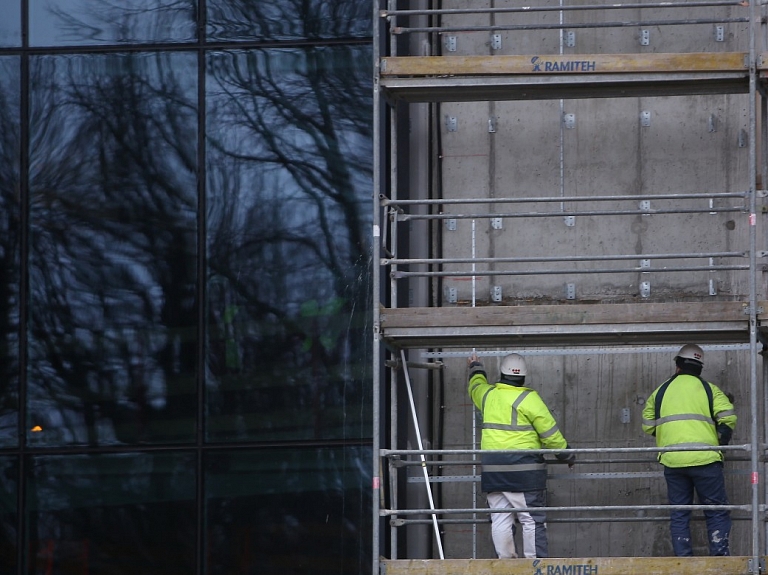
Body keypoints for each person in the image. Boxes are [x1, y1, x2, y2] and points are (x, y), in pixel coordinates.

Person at [467, 352, 574, 559]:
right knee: (531, 520)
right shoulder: (530, 398)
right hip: (524, 472)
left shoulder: (488, 395)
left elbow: (475, 387)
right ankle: (534, 567)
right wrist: (566, 455)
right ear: (523, 377)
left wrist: (476, 367)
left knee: (500, 519)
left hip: (493, 471)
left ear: (502, 374)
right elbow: (551, 435)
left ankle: (507, 567)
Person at [641, 344, 737, 557]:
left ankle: (684, 562)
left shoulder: (660, 392)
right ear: (700, 368)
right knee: (715, 512)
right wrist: (722, 436)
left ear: (678, 365)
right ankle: (720, 560)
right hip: (706, 460)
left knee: (679, 513)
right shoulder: (709, 389)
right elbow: (727, 416)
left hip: (673, 461)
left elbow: (648, 425)